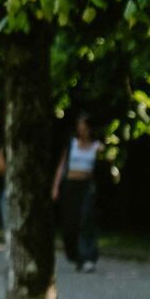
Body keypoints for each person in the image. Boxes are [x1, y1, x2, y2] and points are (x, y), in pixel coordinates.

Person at [53, 112, 106, 273]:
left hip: (87, 185)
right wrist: (55, 187)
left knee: (86, 219)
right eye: (80, 128)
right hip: (71, 185)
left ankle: (88, 256)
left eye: (85, 128)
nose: (82, 131)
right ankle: (76, 255)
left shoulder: (97, 147)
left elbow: (102, 168)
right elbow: (62, 167)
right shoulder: (72, 145)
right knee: (71, 222)